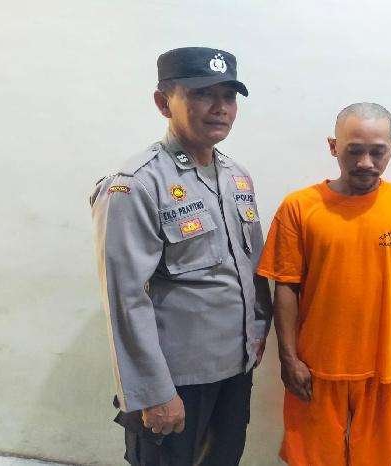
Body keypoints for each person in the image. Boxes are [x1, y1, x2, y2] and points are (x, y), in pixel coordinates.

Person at [90, 47, 272, 466]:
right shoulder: (136, 185)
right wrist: (153, 392)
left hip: (235, 367)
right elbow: (125, 299)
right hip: (176, 379)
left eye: (228, 96)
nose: (219, 108)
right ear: (163, 102)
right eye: (201, 94)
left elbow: (252, 266)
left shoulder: (237, 177)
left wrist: (259, 330)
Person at [256, 103, 391, 466]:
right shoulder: (299, 207)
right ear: (333, 147)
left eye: (377, 151)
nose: (365, 162)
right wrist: (289, 359)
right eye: (354, 150)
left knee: (385, 459)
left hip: (388, 370)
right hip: (316, 370)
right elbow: (286, 287)